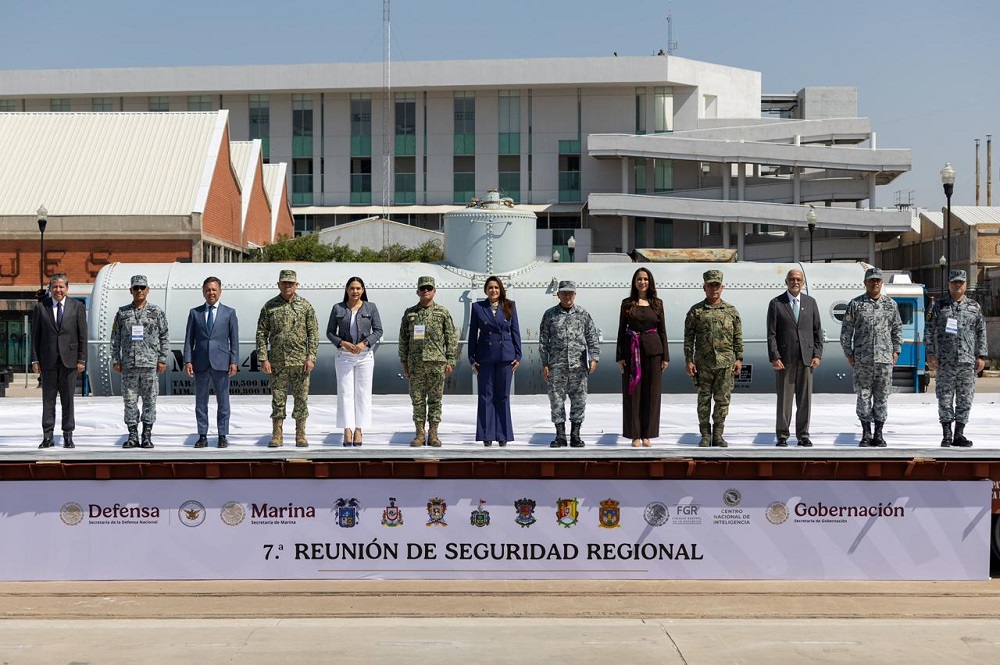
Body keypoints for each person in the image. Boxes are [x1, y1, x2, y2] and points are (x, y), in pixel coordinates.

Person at [256, 269, 319, 448]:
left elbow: (313, 333)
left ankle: (300, 435)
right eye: (284, 283)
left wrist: (311, 357)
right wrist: (263, 358)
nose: (287, 286)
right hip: (278, 362)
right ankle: (277, 435)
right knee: (278, 399)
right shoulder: (269, 307)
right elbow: (261, 333)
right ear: (278, 285)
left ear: (296, 285)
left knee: (301, 399)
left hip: (301, 362)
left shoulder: (305, 306)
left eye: (291, 283)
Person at [839, 267, 902, 447]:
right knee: (864, 396)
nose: (875, 283)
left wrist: (896, 351)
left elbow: (897, 329)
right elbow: (846, 331)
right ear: (865, 283)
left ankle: (879, 434)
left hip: (884, 360)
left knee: (882, 397)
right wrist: (848, 353)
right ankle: (866, 433)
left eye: (878, 281)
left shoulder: (891, 305)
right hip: (863, 360)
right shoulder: (856, 304)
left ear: (881, 283)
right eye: (871, 280)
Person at [926, 269, 988, 448]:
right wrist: (930, 353)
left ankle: (959, 434)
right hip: (945, 362)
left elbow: (981, 332)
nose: (957, 285)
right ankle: (947, 434)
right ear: (949, 285)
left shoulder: (974, 307)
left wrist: (982, 356)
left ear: (966, 285)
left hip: (967, 362)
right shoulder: (939, 306)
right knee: (944, 398)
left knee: (965, 398)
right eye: (954, 282)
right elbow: (929, 330)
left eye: (960, 282)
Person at [683, 270, 743, 448]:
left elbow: (737, 337)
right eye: (710, 285)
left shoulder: (731, 311)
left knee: (722, 400)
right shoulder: (696, 311)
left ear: (722, 288)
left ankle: (718, 434)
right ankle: (704, 435)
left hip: (725, 364)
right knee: (703, 401)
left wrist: (739, 358)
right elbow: (689, 338)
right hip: (703, 364)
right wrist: (689, 360)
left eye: (717, 285)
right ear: (704, 287)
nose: (714, 289)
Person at [766, 268, 823, 447]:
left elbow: (817, 331)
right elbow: (771, 334)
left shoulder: (811, 302)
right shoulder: (776, 303)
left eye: (798, 279)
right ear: (786, 281)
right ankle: (782, 435)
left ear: (803, 282)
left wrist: (817, 354)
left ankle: (803, 435)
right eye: (792, 279)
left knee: (805, 399)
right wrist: (775, 356)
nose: (795, 282)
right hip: (785, 359)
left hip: (806, 359)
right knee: (784, 399)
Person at [539, 280, 600, 448]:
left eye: (570, 293)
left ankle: (575, 435)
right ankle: (560, 436)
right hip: (557, 367)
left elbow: (592, 338)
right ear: (558, 295)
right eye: (563, 293)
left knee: (579, 401)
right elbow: (543, 341)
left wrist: (594, 359)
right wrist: (545, 363)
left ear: (575, 294)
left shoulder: (583, 314)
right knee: (556, 401)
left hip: (578, 367)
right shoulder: (550, 315)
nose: (567, 296)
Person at [110, 274, 169, 449]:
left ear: (148, 290)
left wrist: (162, 358)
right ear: (131, 290)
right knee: (129, 401)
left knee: (150, 401)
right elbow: (115, 338)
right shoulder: (122, 313)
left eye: (142, 287)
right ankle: (133, 435)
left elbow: (164, 336)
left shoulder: (156, 312)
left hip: (149, 364)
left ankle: (147, 435)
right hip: (129, 365)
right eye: (136, 288)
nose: (139, 291)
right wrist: (115, 359)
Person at [399, 276, 458, 447]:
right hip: (416, 364)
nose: (426, 291)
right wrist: (404, 361)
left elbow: (450, 338)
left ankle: (433, 434)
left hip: (436, 363)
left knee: (435, 400)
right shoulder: (410, 313)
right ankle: (419, 434)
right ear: (417, 291)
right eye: (423, 288)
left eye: (429, 288)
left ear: (434, 291)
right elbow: (403, 338)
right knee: (417, 400)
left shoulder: (442, 313)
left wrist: (451, 360)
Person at [30, 273, 87, 449]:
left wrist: (82, 359)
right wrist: (35, 360)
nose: (58, 290)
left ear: (67, 288)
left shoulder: (77, 307)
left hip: (70, 361)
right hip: (47, 362)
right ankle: (48, 436)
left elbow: (82, 335)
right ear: (50, 289)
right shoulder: (41, 307)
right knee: (48, 400)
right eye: (55, 287)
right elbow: (35, 337)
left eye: (61, 287)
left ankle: (68, 435)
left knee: (68, 400)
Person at [183, 276, 239, 449]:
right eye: (208, 290)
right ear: (203, 292)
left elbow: (234, 339)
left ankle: (222, 435)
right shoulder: (195, 313)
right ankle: (202, 435)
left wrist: (234, 361)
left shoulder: (229, 313)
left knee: (223, 401)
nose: (211, 293)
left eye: (214, 289)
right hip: (200, 362)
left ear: (220, 291)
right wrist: (187, 360)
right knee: (201, 402)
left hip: (221, 362)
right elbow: (188, 340)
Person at [327, 276, 383, 447]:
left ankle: (359, 429)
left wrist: (364, 343)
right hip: (344, 355)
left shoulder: (370, 308)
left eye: (358, 288)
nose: (355, 291)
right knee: (345, 393)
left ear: (363, 290)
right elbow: (330, 332)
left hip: (364, 355)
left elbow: (378, 330)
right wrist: (342, 343)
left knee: (363, 393)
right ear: (347, 290)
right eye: (352, 288)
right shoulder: (338, 308)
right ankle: (347, 429)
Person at [615, 267, 668, 447]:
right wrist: (620, 357)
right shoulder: (627, 303)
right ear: (634, 282)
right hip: (631, 352)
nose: (642, 282)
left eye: (645, 279)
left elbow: (662, 331)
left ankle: (647, 435)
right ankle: (634, 435)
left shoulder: (657, 304)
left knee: (651, 394)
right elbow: (622, 330)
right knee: (633, 393)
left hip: (654, 352)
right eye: (639, 279)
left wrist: (665, 357)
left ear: (650, 282)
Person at [468, 276, 522, 447]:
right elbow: (472, 336)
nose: (494, 291)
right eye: (490, 287)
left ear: (501, 290)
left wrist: (518, 356)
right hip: (485, 357)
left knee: (503, 396)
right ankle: (486, 434)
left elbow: (516, 332)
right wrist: (471, 358)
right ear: (485, 290)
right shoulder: (477, 307)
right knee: (485, 396)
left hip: (506, 357)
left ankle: (503, 434)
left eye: (496, 288)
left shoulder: (509, 306)